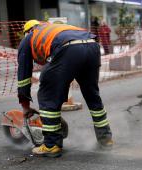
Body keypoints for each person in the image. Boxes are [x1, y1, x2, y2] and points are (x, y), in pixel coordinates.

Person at [18, 20, 113, 157]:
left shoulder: (29, 38)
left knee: (47, 95)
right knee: (92, 94)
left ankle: (51, 145)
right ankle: (106, 139)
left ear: (27, 32)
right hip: (92, 45)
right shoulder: (54, 29)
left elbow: (23, 77)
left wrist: (25, 105)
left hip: (69, 49)